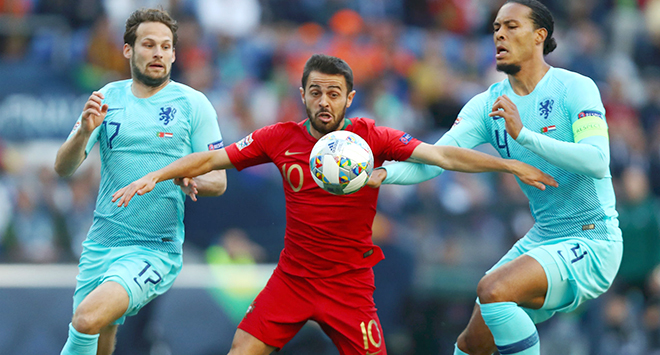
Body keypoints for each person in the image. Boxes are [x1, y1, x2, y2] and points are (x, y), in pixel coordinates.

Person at [112, 53, 556, 355]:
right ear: (302, 94)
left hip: (349, 286)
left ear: (349, 97)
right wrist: (156, 174)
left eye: (333, 93)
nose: (324, 102)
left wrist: (510, 166)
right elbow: (213, 157)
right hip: (292, 279)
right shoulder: (278, 138)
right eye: (315, 92)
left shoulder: (371, 137)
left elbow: (440, 154)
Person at [369, 0, 623, 355]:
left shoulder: (575, 88)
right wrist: (380, 173)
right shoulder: (486, 105)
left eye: (511, 26)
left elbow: (598, 160)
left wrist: (524, 136)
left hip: (594, 240)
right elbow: (437, 157)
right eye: (495, 28)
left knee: (493, 289)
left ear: (539, 36)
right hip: (545, 237)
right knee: (473, 341)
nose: (499, 35)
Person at [54, 8, 227, 355]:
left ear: (175, 54)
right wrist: (83, 133)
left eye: (166, 46)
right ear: (128, 50)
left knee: (86, 320)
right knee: (101, 335)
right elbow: (63, 167)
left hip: (153, 248)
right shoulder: (106, 99)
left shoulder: (194, 104)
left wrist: (190, 178)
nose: (158, 53)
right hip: (101, 242)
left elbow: (218, 180)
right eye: (149, 44)